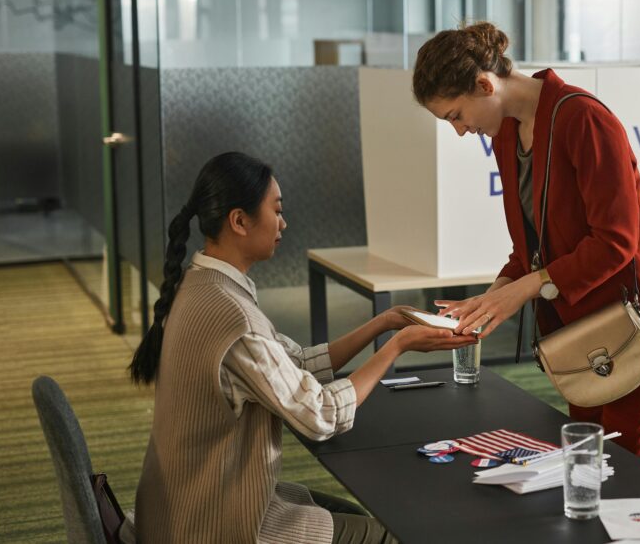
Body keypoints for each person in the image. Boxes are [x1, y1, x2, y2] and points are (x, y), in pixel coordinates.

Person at [129, 152, 476, 543]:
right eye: (276, 211)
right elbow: (319, 415)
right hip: (212, 522)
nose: (283, 223)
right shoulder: (232, 318)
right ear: (239, 221)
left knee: (353, 513)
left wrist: (385, 322)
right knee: (386, 533)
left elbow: (293, 363)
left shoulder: (201, 286)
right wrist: (396, 347)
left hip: (182, 503)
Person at [412, 22, 640, 472]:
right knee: (587, 467)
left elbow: (615, 242)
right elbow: (532, 248)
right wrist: (491, 299)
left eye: (456, 116)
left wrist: (522, 290)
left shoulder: (583, 118)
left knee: (633, 478)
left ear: (486, 85)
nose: (461, 131)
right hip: (584, 326)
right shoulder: (508, 134)